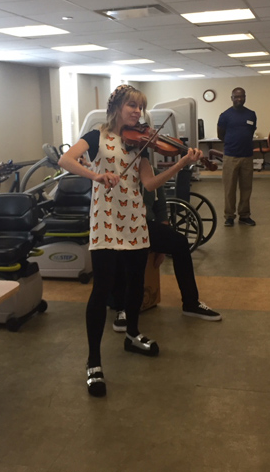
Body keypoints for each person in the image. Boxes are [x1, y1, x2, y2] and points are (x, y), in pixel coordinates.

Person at [58, 85, 202, 397]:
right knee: (102, 289)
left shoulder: (142, 144)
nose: (137, 112)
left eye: (140, 107)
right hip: (106, 222)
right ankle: (93, 361)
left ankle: (133, 334)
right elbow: (66, 160)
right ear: (117, 108)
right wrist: (96, 176)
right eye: (131, 106)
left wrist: (179, 165)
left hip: (135, 221)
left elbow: (149, 183)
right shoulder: (96, 136)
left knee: (136, 284)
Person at [110, 179, 221, 331]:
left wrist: (162, 248)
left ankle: (191, 303)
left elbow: (161, 208)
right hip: (121, 226)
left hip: (146, 224)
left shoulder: (151, 171)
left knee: (180, 243)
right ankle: (121, 309)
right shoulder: (118, 170)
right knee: (120, 251)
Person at [217, 87, 257, 227]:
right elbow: (220, 135)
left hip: (247, 156)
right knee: (229, 189)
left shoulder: (251, 114)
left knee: (246, 188)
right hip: (230, 157)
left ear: (245, 97)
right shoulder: (225, 115)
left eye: (242, 96)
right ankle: (229, 216)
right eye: (236, 97)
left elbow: (250, 132)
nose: (239, 99)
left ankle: (244, 216)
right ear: (232, 98)